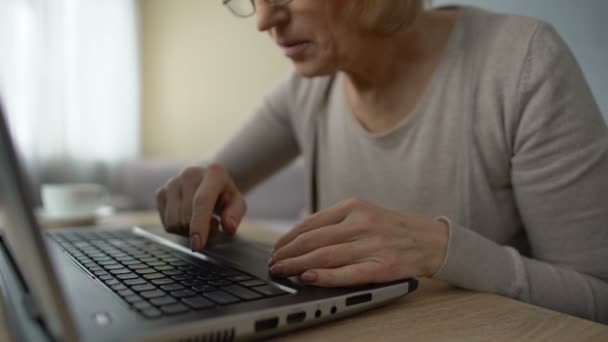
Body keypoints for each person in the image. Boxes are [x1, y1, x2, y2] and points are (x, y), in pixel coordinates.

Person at [156, 0, 608, 323]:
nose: (263, 19)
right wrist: (198, 188)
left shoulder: (522, 63)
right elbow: (216, 177)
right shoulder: (309, 88)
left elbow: (598, 298)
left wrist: (441, 249)